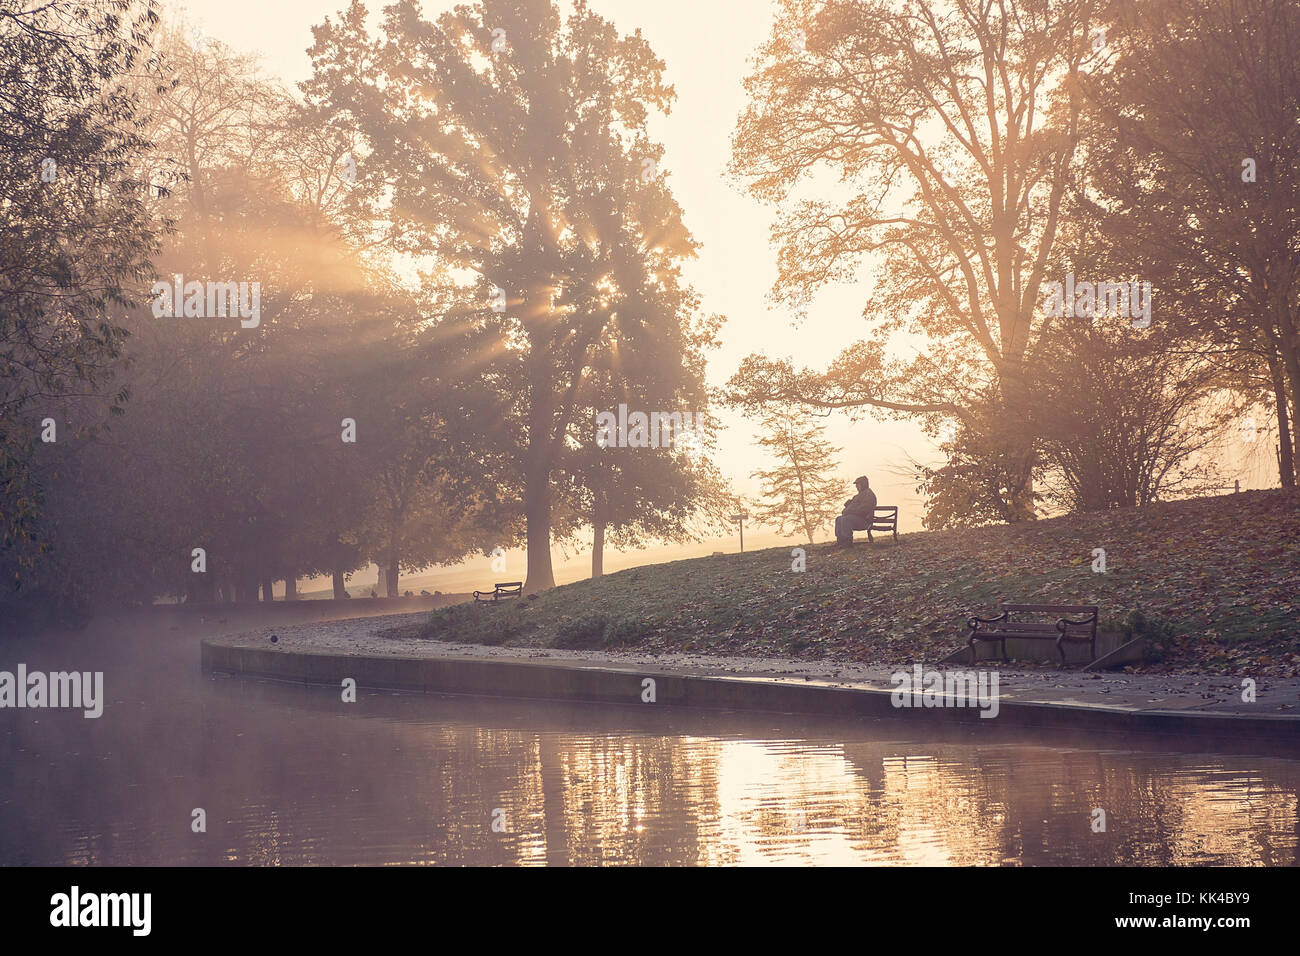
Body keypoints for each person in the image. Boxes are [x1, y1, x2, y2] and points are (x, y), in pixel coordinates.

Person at [835, 476, 877, 545]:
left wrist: (849, 511)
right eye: (856, 485)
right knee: (839, 519)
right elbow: (852, 506)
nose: (856, 486)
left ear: (863, 484)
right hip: (856, 519)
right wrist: (848, 506)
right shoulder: (859, 495)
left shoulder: (868, 495)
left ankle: (847, 541)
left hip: (864, 521)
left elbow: (863, 510)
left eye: (858, 484)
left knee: (846, 519)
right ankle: (840, 541)